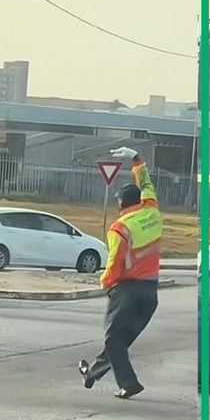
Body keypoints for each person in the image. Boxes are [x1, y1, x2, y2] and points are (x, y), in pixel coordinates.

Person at [78, 146, 162, 399]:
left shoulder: (120, 228)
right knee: (119, 342)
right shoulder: (153, 212)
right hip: (150, 294)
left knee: (114, 340)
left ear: (121, 204)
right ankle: (92, 373)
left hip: (127, 292)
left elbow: (115, 261)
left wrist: (105, 281)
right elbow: (146, 183)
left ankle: (129, 384)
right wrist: (136, 159)